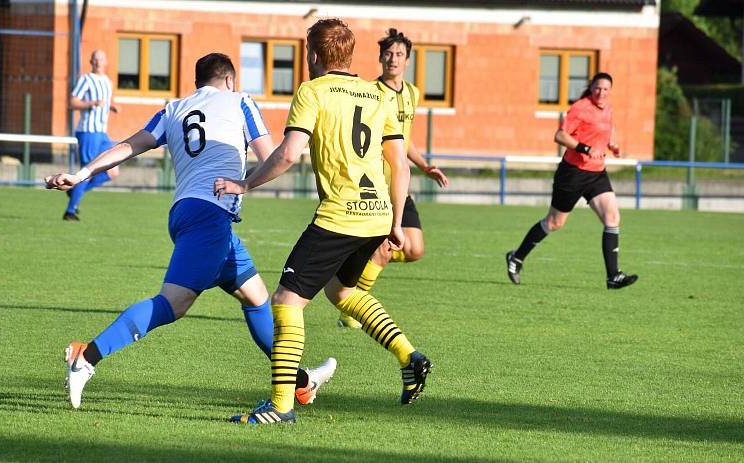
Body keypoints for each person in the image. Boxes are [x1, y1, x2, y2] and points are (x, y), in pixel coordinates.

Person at [45, 53, 336, 410]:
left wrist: (80, 174)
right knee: (174, 303)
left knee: (256, 297)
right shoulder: (241, 101)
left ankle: (299, 383)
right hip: (211, 216)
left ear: (198, 83)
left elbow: (128, 145)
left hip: (186, 212)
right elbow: (272, 155)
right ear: (230, 80)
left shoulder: (174, 109)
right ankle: (86, 356)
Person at [216, 19, 432, 425]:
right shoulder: (377, 94)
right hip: (377, 214)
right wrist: (397, 222)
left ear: (314, 55)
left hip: (340, 216)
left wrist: (245, 183)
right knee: (343, 293)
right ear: (349, 55)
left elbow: (287, 154)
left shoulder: (312, 91)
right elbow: (399, 165)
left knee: (285, 302)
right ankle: (409, 355)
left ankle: (281, 407)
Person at [338, 28, 449, 329]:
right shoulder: (370, 94)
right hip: (376, 186)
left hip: (400, 186)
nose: (393, 59)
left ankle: (361, 261)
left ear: (408, 60)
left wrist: (425, 166)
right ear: (380, 58)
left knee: (414, 249)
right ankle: (351, 309)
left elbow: (403, 139)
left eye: (399, 54)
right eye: (388, 54)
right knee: (386, 248)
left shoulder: (413, 93)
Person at [505, 72, 638, 290]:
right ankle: (516, 257)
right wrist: (585, 148)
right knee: (554, 223)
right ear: (591, 88)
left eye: (605, 89)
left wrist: (612, 144)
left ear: (610, 91)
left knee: (612, 217)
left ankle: (613, 276)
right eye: (597, 88)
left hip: (597, 173)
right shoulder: (580, 108)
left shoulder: (608, 108)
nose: (601, 93)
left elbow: (606, 128)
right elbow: (559, 135)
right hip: (572, 174)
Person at [63, 49, 121, 221]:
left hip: (102, 132)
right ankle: (70, 211)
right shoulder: (86, 80)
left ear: (105, 61)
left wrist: (112, 106)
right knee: (87, 171)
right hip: (88, 131)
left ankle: (75, 190)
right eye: (95, 59)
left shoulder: (108, 82)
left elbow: (105, 101)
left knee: (113, 171)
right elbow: (72, 102)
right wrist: (91, 103)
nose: (98, 62)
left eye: (101, 59)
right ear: (91, 62)